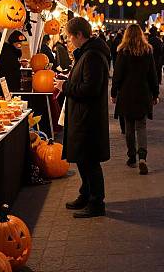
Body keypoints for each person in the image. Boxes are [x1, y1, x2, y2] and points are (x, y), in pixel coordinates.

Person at [55, 17, 110, 218]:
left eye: (70, 37)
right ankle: (85, 193)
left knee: (89, 161)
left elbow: (90, 88)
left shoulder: (92, 55)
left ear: (79, 35)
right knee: (82, 159)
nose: (69, 41)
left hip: (88, 118)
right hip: (82, 115)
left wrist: (65, 87)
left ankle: (96, 202)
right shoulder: (86, 54)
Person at [111, 24, 159, 175]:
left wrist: (113, 92)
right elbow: (153, 74)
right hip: (143, 93)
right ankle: (143, 157)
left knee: (129, 127)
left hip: (126, 93)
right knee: (142, 126)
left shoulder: (122, 51)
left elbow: (117, 74)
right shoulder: (147, 51)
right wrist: (155, 93)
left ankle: (132, 156)